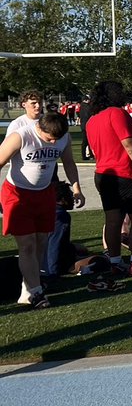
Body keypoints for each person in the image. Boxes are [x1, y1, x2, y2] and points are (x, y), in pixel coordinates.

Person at [0, 112, 85, 308]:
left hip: (45, 193)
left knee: (40, 243)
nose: (53, 142)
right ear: (40, 128)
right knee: (27, 244)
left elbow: (69, 162)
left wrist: (77, 188)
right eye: (49, 139)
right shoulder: (21, 135)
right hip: (17, 193)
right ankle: (36, 292)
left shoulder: (63, 136)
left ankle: (27, 288)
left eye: (57, 139)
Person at [85, 81, 132, 276]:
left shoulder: (92, 120)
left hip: (103, 174)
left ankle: (115, 261)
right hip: (126, 173)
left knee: (113, 221)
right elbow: (128, 142)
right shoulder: (116, 113)